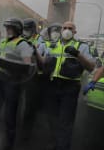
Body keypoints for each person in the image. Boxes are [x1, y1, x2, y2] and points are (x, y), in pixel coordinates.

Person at [42, 21, 95, 150]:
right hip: (53, 84)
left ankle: (62, 147)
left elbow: (91, 67)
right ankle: (53, 144)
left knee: (65, 122)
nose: (66, 30)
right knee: (51, 119)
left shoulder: (81, 46)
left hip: (70, 87)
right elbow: (44, 61)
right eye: (64, 28)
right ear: (61, 31)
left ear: (75, 32)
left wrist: (77, 54)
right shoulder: (53, 45)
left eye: (70, 28)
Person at [0, 17, 34, 150]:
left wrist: (11, 65)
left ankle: (8, 144)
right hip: (0, 80)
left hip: (13, 83)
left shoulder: (22, 44)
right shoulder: (3, 42)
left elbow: (27, 65)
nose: (7, 30)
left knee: (10, 115)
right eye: (7, 27)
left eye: (10, 28)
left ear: (17, 29)